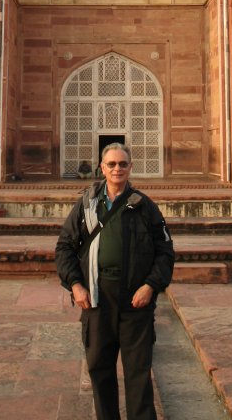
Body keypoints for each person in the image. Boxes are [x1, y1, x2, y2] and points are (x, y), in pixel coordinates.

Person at [55, 142, 174, 420]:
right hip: (98, 298)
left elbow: (165, 251)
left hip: (136, 299)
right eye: (112, 164)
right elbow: (64, 248)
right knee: (100, 369)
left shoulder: (144, 206)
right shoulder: (87, 205)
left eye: (122, 164)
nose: (117, 169)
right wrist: (75, 284)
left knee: (138, 371)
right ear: (102, 168)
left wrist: (150, 286)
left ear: (131, 168)